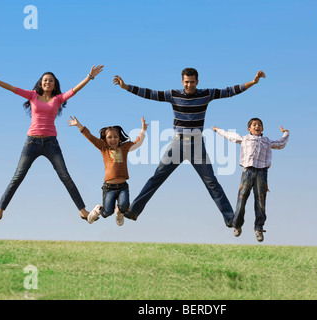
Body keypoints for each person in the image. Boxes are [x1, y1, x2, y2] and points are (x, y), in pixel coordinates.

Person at [113, 68, 266, 227]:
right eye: (186, 82)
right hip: (177, 143)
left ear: (197, 82)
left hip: (197, 145)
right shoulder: (173, 95)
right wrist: (126, 87)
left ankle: (230, 219)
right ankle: (133, 211)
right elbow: (150, 93)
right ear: (182, 81)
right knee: (157, 177)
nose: (189, 85)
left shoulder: (206, 94)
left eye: (192, 82)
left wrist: (253, 82)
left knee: (211, 182)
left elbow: (229, 91)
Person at [0, 65, 104, 224]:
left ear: (54, 84)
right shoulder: (32, 95)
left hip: (51, 143)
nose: (48, 82)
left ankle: (83, 211)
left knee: (65, 176)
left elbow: (74, 90)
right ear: (41, 83)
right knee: (17, 177)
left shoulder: (58, 99)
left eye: (51, 81)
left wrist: (89, 77)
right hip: (32, 142)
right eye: (45, 80)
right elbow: (11, 88)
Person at [213, 118, 289, 242]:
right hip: (247, 172)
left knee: (260, 201)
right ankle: (237, 225)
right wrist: (218, 130)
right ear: (249, 129)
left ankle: (259, 228)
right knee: (242, 199)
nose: (257, 127)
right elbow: (230, 136)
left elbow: (280, 144)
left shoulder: (267, 141)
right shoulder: (244, 139)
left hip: (262, 173)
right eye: (254, 125)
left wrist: (286, 133)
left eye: (259, 125)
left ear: (262, 129)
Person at [67, 116, 148, 225]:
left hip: (123, 186)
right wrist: (79, 125)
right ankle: (97, 209)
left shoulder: (125, 148)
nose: (113, 139)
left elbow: (138, 142)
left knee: (124, 207)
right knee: (106, 213)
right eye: (109, 137)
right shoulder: (103, 148)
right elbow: (90, 137)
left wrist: (143, 129)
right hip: (109, 188)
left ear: (119, 138)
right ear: (105, 139)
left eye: (115, 137)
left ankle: (119, 211)